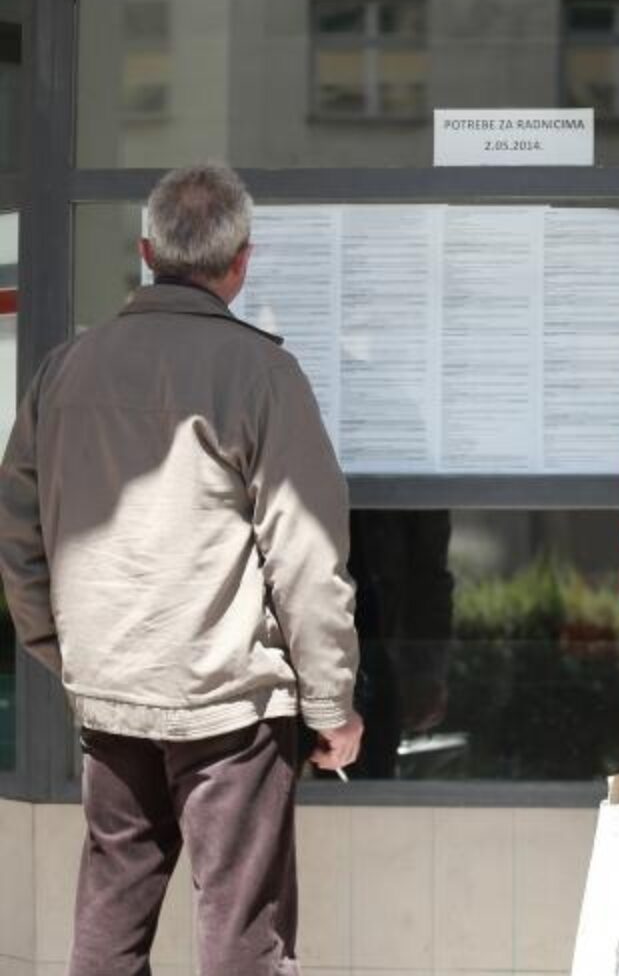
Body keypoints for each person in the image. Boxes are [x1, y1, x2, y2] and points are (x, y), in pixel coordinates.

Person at [0, 163, 363, 975]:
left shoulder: (65, 368)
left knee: (110, 917)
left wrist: (62, 650)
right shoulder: (262, 374)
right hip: (228, 705)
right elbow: (307, 557)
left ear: (146, 253)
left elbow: (17, 531)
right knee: (241, 931)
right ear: (241, 262)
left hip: (111, 692)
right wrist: (331, 704)